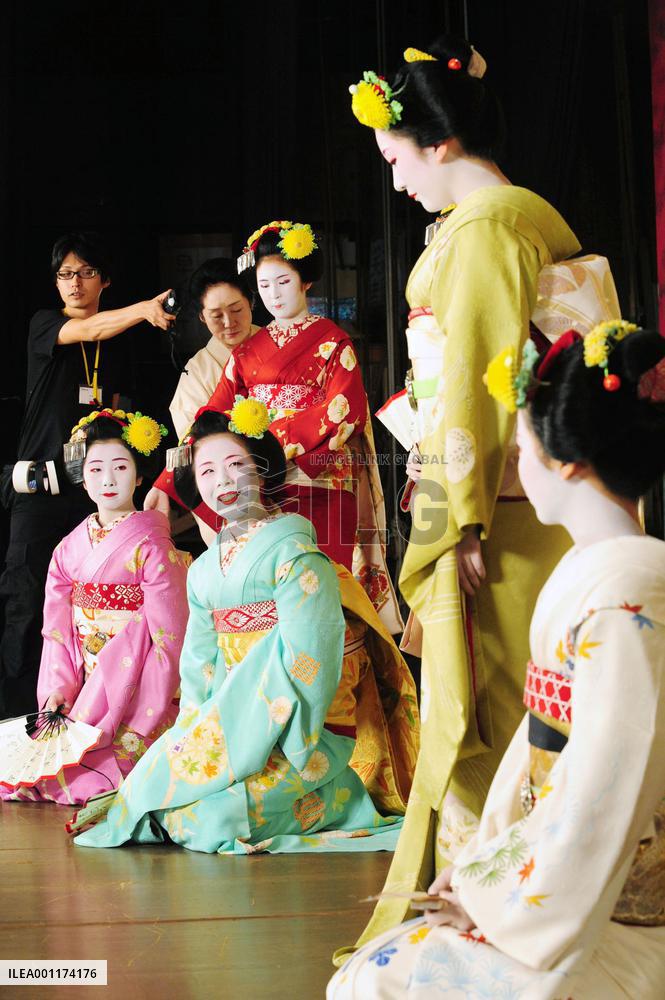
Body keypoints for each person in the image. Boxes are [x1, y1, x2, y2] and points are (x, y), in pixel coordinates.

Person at [328, 321, 665, 998]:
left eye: (520, 449)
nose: (512, 462)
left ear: (567, 460)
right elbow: (540, 757)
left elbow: (605, 787)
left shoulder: (625, 595)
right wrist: (485, 865)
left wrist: (499, 898)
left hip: (617, 906)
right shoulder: (596, 575)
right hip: (563, 880)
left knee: (382, 985)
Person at [342, 35, 589, 950]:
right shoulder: (511, 219)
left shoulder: (485, 229)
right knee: (534, 702)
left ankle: (497, 909)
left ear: (437, 144)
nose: (397, 180)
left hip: (503, 509)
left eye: (397, 159)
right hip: (524, 497)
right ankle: (510, 897)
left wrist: (459, 521)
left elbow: (479, 385)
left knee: (494, 708)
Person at [74, 400, 413, 853]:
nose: (223, 482)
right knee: (151, 795)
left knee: (208, 821)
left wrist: (278, 737)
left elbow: (312, 658)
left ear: (263, 470)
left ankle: (337, 796)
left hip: (294, 731)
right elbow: (198, 665)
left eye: (236, 465)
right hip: (229, 724)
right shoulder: (204, 569)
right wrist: (197, 731)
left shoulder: (295, 553)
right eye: (208, 471)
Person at [147, 220, 403, 633]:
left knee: (321, 597)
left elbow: (344, 408)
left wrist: (265, 443)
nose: (275, 295)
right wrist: (166, 479)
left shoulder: (333, 340)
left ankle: (334, 690)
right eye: (265, 286)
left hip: (318, 477)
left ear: (306, 283)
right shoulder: (247, 352)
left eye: (283, 282)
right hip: (265, 486)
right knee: (270, 599)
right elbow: (211, 419)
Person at [0, 232, 175, 718]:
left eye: (85, 273)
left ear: (105, 279)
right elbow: (91, 330)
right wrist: (142, 309)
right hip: (41, 492)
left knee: (92, 608)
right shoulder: (45, 325)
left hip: (94, 496)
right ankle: (15, 719)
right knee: (26, 600)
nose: (73, 284)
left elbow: (126, 411)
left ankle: (89, 714)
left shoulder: (118, 346)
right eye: (64, 275)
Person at [0, 408, 189, 806]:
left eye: (120, 467)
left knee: (114, 763)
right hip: (86, 681)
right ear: (81, 479)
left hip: (138, 682)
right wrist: (58, 689)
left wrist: (147, 706)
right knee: (48, 763)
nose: (107, 479)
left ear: (139, 476)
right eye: (95, 469)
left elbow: (169, 639)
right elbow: (57, 631)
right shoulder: (69, 547)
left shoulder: (153, 545)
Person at [169, 258, 260, 546]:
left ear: (252, 302)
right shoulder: (197, 373)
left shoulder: (281, 346)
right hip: (231, 492)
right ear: (201, 317)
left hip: (294, 480)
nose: (229, 323)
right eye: (216, 315)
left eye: (236, 310)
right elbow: (194, 448)